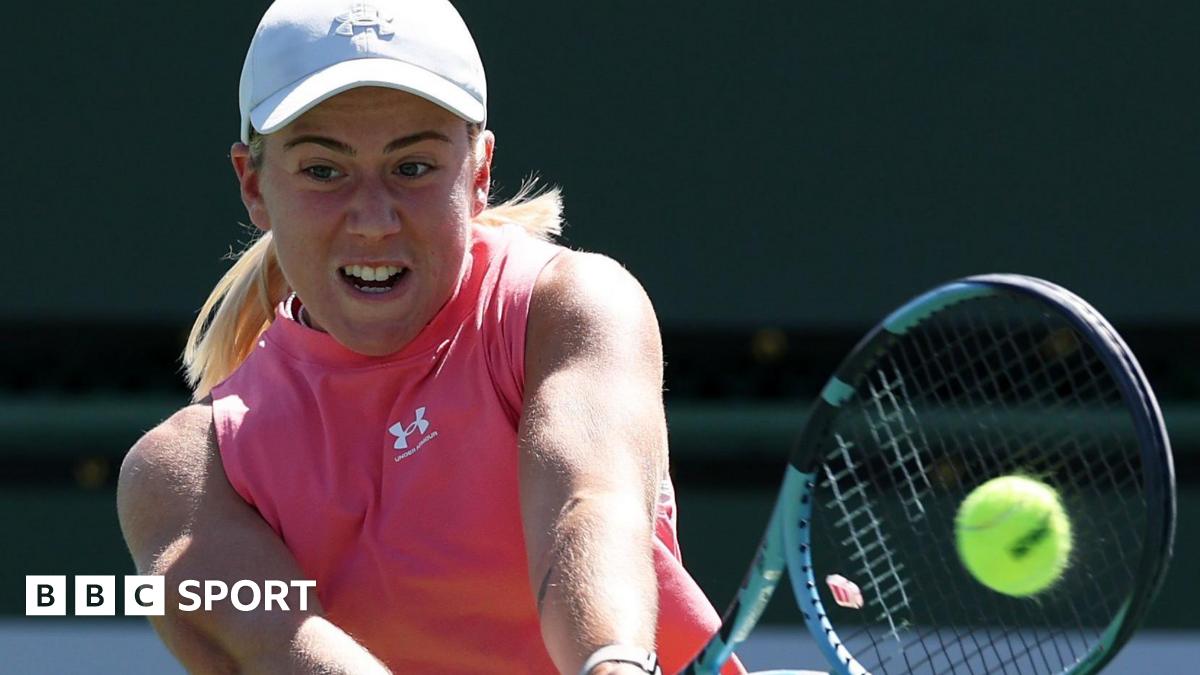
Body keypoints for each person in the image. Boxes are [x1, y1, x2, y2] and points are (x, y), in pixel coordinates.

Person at [117, 0, 746, 673]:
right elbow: (283, 648)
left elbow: (587, 505)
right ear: (253, 183)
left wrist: (612, 663)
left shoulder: (571, 309)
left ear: (478, 172)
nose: (373, 218)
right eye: (324, 171)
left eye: (412, 167)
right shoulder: (185, 474)